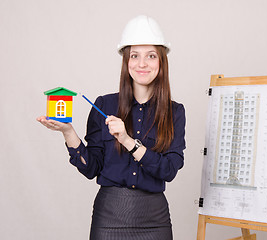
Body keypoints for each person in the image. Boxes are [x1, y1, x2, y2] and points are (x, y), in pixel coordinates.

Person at [37, 15, 186, 240]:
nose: (142, 63)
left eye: (151, 56)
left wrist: (127, 140)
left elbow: (169, 170)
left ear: (161, 62)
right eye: (134, 56)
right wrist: (68, 132)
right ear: (126, 62)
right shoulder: (104, 105)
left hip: (155, 219)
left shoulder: (175, 112)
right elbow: (91, 168)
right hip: (109, 218)